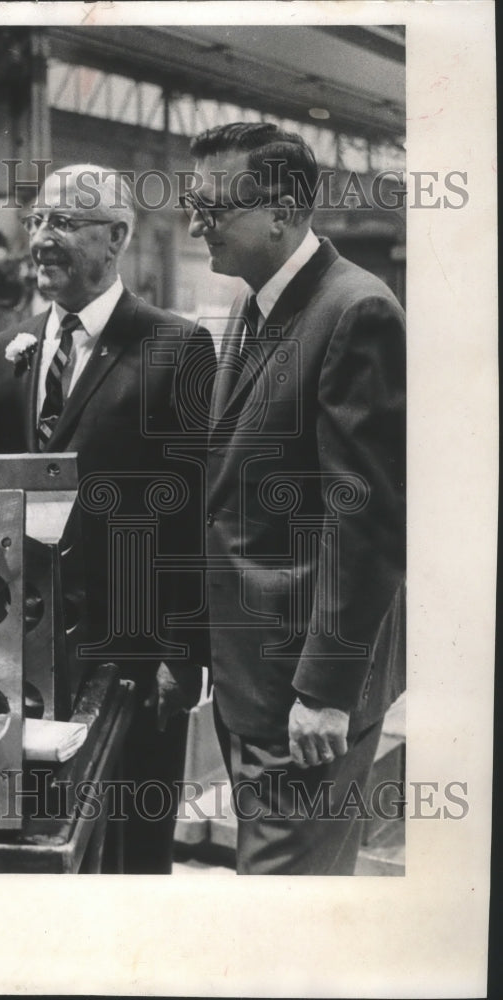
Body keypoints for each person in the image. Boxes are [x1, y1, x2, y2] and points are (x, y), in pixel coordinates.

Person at [184, 122, 406, 875]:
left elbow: (368, 519)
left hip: (305, 698)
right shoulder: (256, 307)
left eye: (212, 208)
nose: (195, 223)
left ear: (281, 210)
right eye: (193, 204)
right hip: (256, 682)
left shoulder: (356, 313)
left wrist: (326, 690)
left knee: (285, 913)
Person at [0, 163, 216, 873]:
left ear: (116, 236)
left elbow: (194, 510)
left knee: (133, 850)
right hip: (20, 653)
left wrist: (185, 651)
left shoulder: (176, 348)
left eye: (62, 223)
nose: (41, 239)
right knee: (40, 839)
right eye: (36, 222)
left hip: (132, 655)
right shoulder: (5, 353)